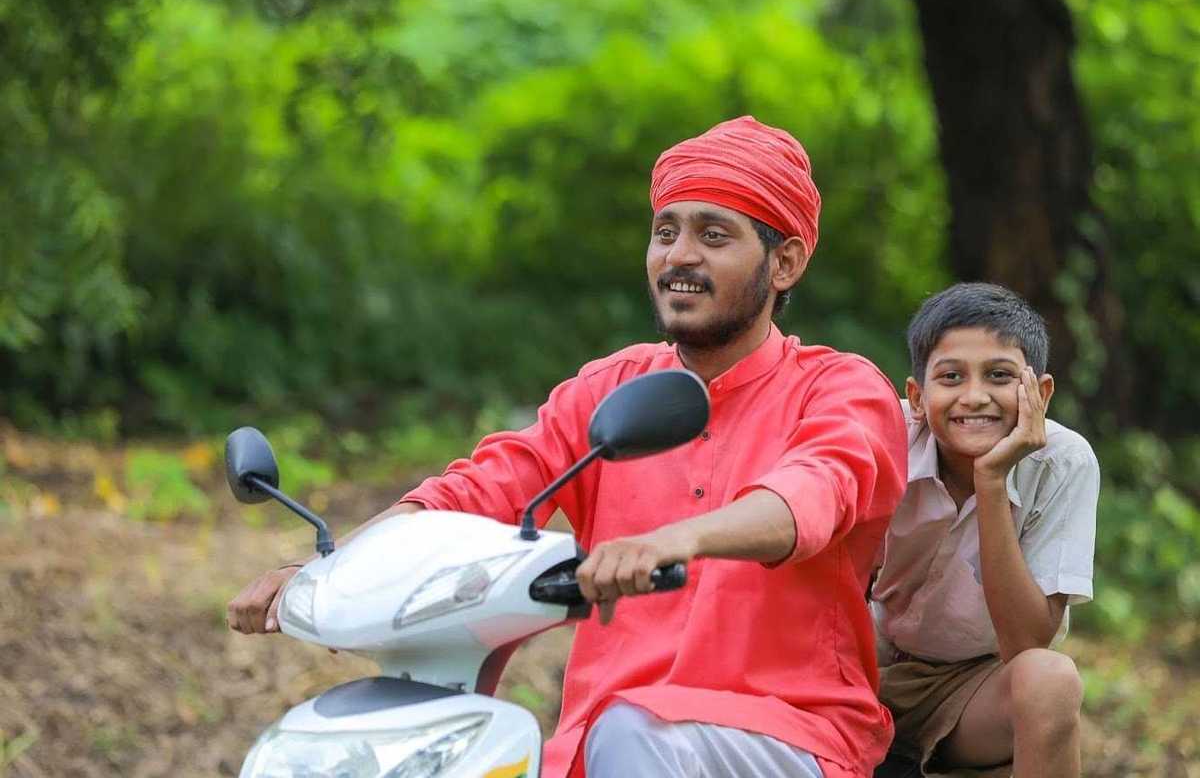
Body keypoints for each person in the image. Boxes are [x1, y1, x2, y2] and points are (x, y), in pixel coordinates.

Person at [228, 116, 908, 778]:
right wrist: (327, 571)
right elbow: (481, 488)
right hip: (605, 738)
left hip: (786, 732)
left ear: (784, 262)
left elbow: (809, 496)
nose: (679, 256)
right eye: (665, 232)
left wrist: (679, 540)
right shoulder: (610, 388)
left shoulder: (840, 389)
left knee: (634, 729)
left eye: (714, 235)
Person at [870, 283, 1100, 778]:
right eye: (951, 377)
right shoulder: (882, 440)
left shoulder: (1063, 462)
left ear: (1039, 393)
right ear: (916, 396)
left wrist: (991, 480)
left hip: (973, 689)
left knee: (1051, 680)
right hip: (864, 673)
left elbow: (1025, 645)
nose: (974, 398)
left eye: (999, 376)